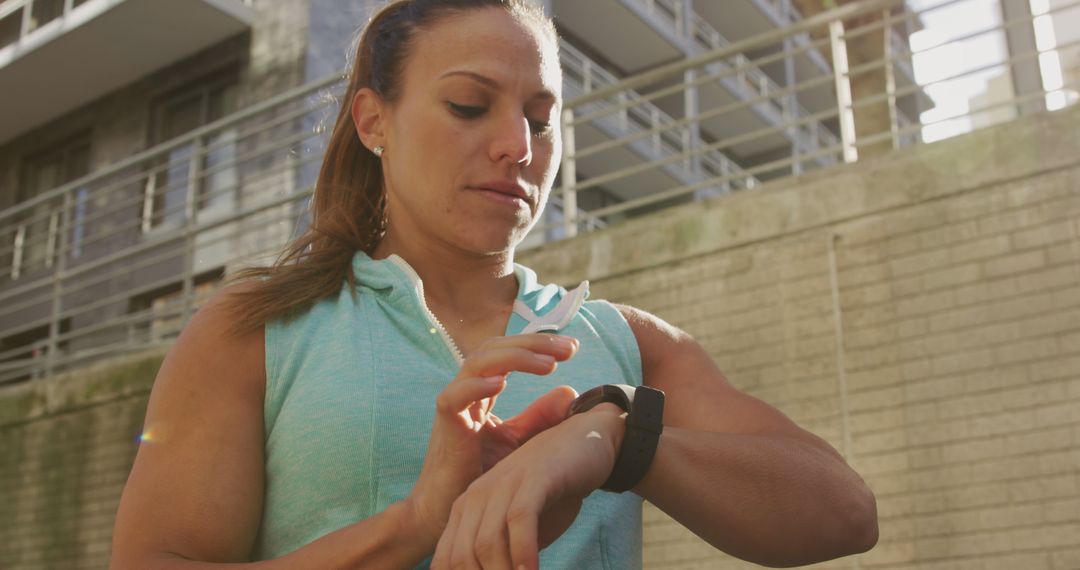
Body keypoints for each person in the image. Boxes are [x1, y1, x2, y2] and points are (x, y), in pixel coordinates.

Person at [110, 0, 879, 568]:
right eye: (469, 106)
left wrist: (613, 438)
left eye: (541, 120)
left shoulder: (625, 341)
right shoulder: (254, 326)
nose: (516, 146)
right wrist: (414, 524)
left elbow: (846, 511)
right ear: (374, 122)